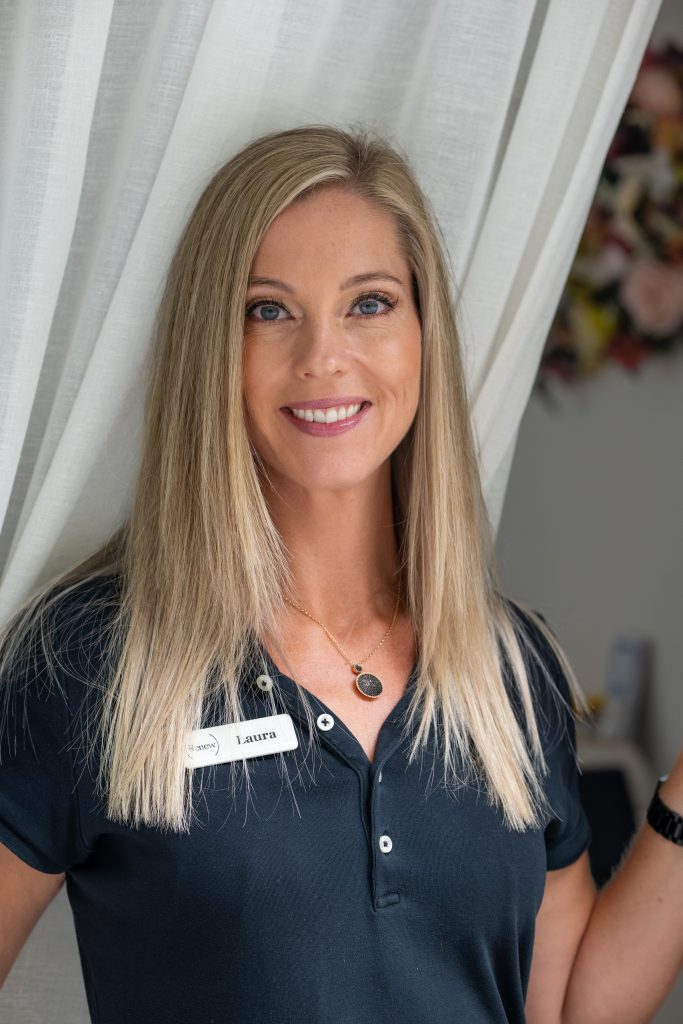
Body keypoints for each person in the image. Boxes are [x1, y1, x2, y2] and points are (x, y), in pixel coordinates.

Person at [0, 124, 681, 1024]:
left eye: (369, 303)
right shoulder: (90, 661)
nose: (323, 355)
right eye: (267, 309)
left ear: (423, 334)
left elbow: (562, 1011)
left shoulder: (510, 669)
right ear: (211, 350)